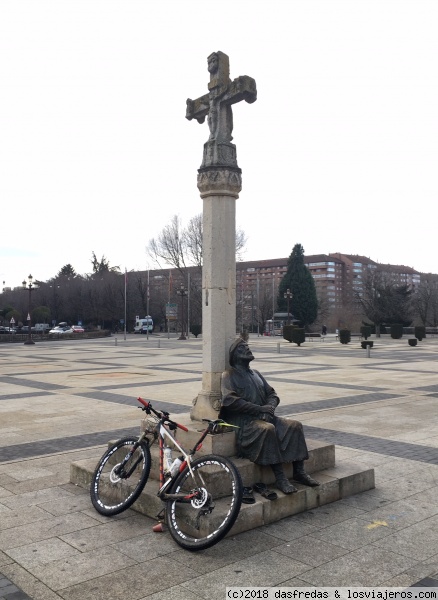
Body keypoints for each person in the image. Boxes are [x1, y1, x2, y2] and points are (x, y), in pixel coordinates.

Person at [220, 338, 319, 494]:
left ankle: (299, 472)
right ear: (235, 355)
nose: (247, 349)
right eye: (243, 348)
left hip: (265, 416)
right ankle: (280, 478)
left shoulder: (256, 374)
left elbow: (272, 393)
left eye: (247, 346)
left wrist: (269, 408)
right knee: (268, 430)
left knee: (295, 426)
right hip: (245, 423)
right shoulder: (229, 375)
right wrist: (260, 409)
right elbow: (230, 400)